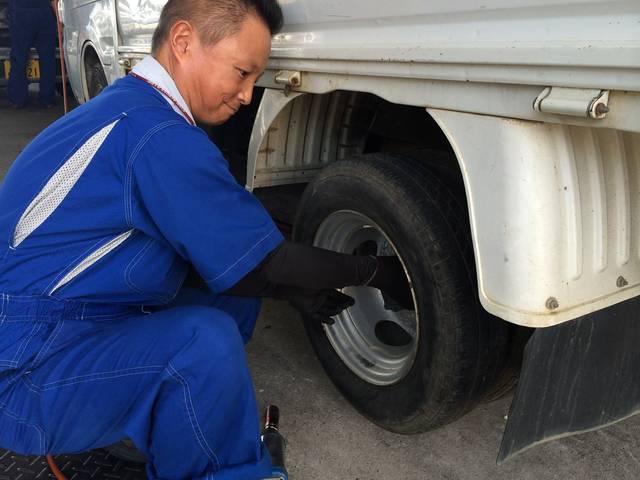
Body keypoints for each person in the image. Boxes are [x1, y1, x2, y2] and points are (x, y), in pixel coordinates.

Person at [0, 0, 410, 479]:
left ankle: (169, 424)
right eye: (241, 72)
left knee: (231, 293)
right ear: (182, 42)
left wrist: (291, 289)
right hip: (24, 368)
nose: (246, 95)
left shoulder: (130, 108)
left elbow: (240, 258)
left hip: (60, 321)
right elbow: (270, 262)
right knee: (203, 345)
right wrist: (375, 272)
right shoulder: (157, 134)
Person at [7, 0, 58, 108]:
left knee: (19, 57)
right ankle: (47, 99)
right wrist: (59, 19)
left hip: (20, 11)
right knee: (47, 59)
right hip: (45, 12)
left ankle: (17, 99)